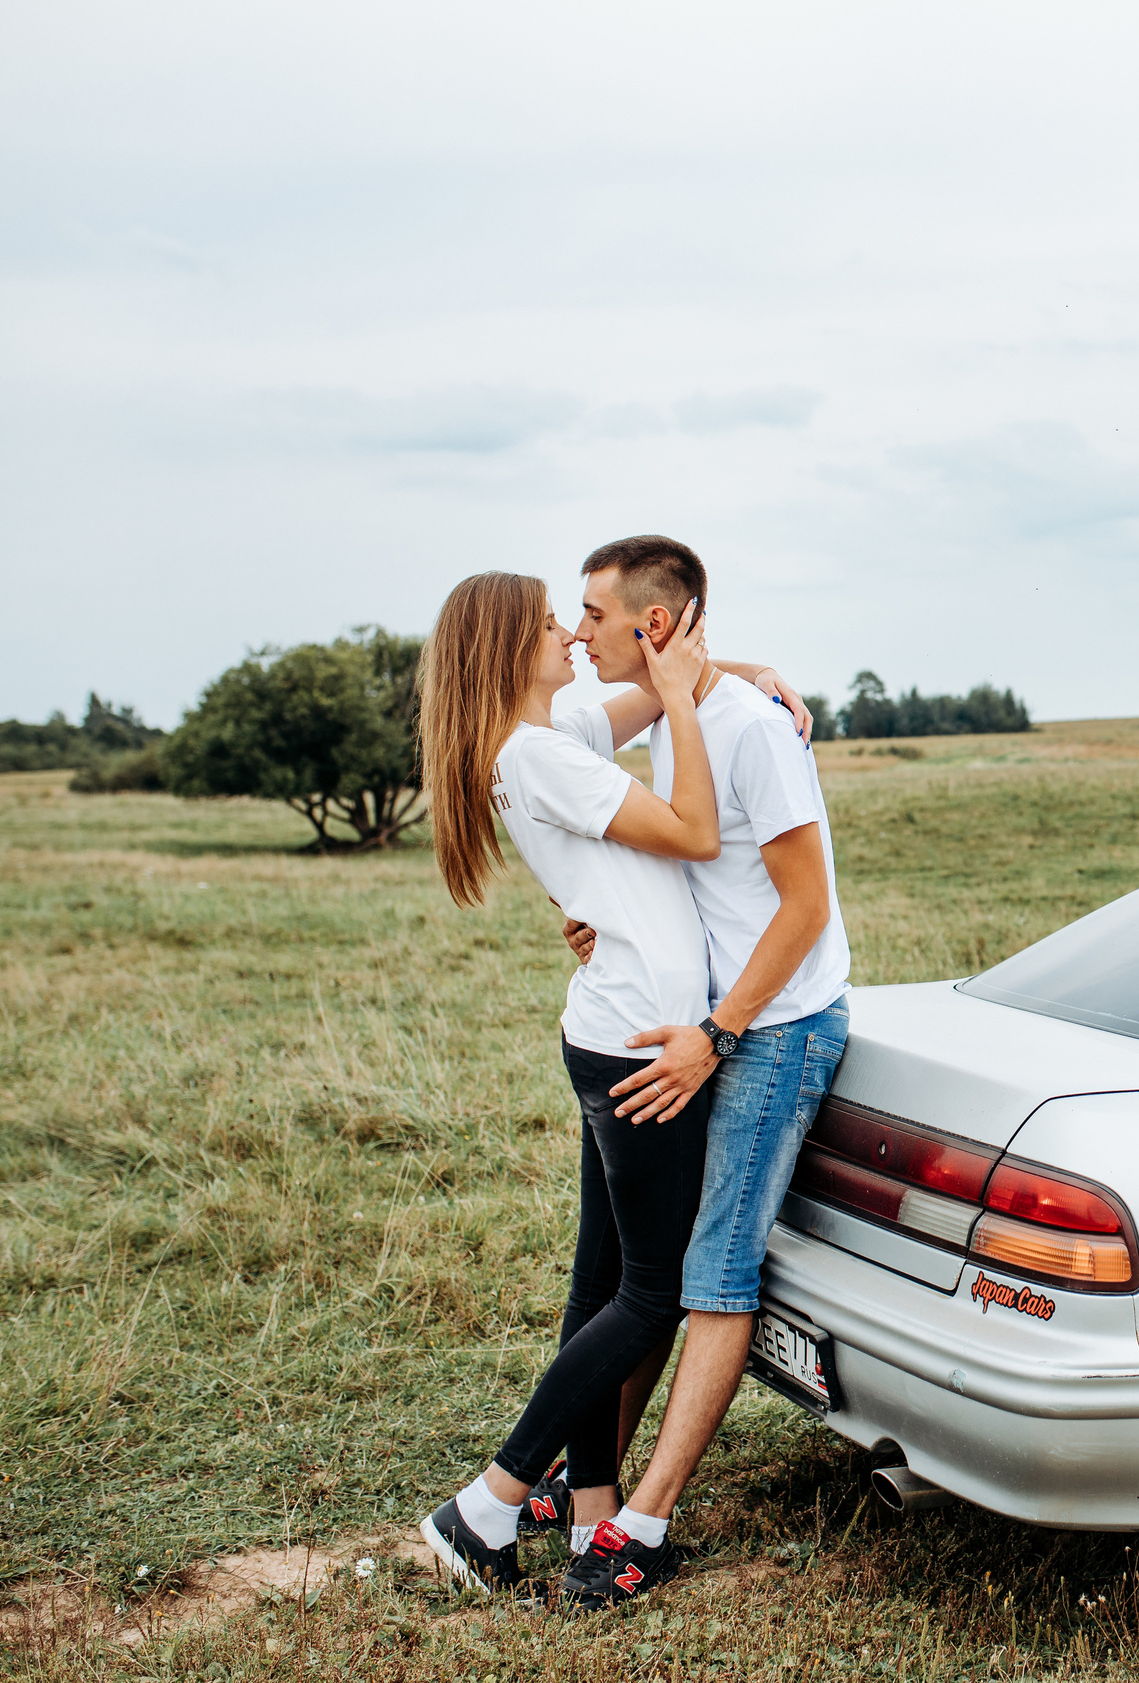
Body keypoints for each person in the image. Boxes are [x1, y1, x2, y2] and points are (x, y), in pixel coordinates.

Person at [543, 534, 851, 1609]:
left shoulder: (753, 734)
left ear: (653, 626)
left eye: (592, 613)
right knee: (648, 1265)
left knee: (713, 1270)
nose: (578, 634)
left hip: (770, 1031)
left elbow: (805, 910)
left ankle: (645, 1524)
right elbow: (687, 871)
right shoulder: (683, 715)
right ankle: (590, 1480)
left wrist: (716, 1036)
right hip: (704, 1022)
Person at [412, 568, 724, 1593]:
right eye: (548, 620)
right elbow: (693, 833)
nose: (565, 632)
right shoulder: (542, 754)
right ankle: (490, 1501)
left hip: (609, 1026)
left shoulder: (545, 742)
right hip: (638, 1043)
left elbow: (653, 685)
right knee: (656, 1292)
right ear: (505, 647)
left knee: (602, 1285)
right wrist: (681, 699)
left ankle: (590, 1504)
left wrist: (725, 672)